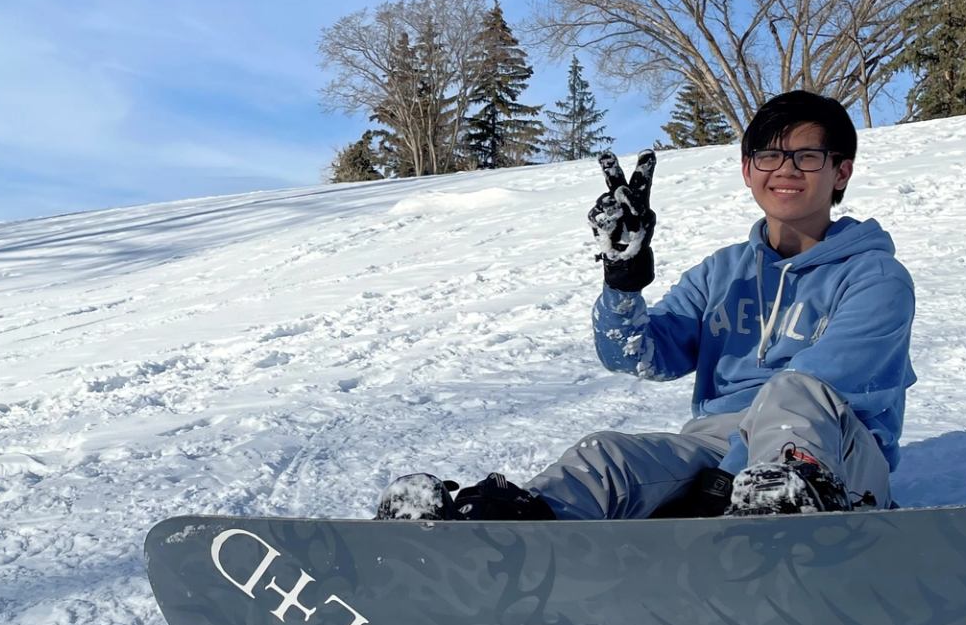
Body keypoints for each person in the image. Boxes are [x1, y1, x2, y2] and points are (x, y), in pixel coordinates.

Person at [376, 89, 916, 521]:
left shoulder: (876, 278)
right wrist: (622, 283)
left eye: (807, 156)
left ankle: (783, 510)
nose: (786, 170)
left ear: (840, 171)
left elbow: (828, 388)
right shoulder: (722, 273)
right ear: (748, 169)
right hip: (719, 454)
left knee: (794, 391)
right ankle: (503, 531)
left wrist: (718, 486)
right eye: (769, 155)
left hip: (831, 457)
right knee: (606, 455)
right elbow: (637, 356)